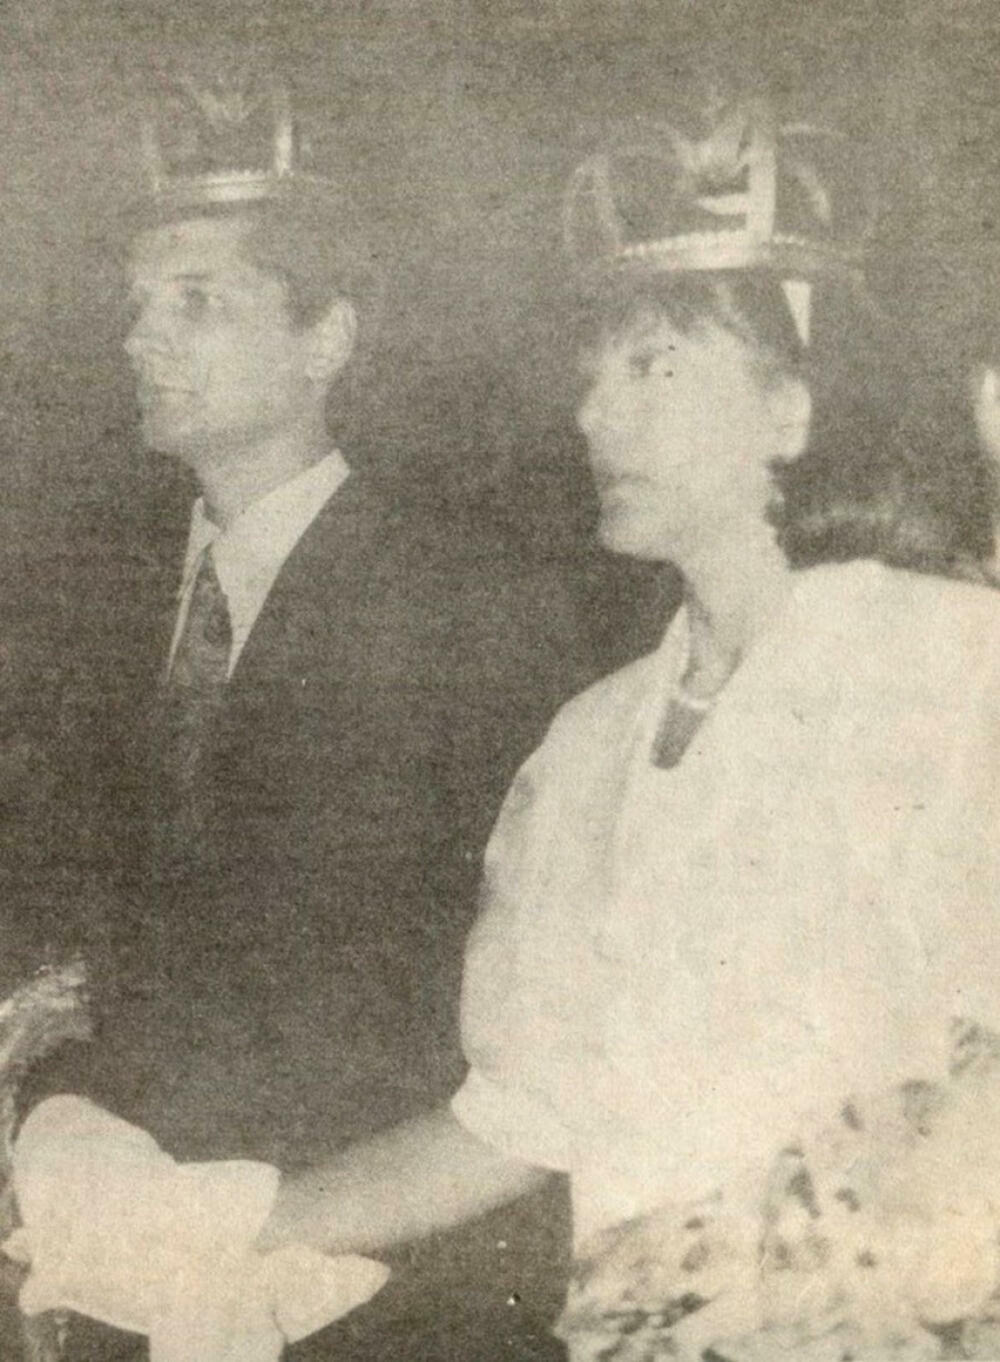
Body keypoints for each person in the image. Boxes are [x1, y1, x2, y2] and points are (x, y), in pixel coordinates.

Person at [16, 100, 1000, 1361]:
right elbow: (522, 1116)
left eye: (654, 368)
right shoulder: (593, 742)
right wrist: (211, 1237)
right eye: (593, 375)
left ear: (792, 410)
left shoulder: (955, 671)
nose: (596, 415)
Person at [34, 70, 590, 1362]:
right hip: (126, 1270)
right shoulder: (88, 608)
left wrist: (250, 1228)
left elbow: (513, 999)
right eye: (136, 307)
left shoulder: (471, 603)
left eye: (198, 303)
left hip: (378, 1287)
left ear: (325, 336)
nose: (141, 341)